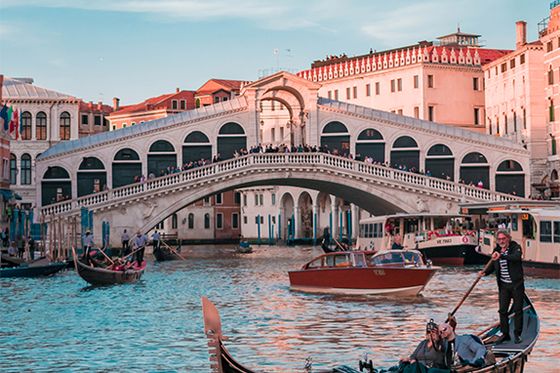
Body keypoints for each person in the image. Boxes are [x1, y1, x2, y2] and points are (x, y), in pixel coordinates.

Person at [479, 229, 525, 344]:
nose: (501, 241)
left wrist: (502, 256)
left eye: (503, 239)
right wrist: (485, 272)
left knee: (518, 310)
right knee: (502, 311)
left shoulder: (515, 247)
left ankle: (517, 334)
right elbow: (493, 265)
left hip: (516, 285)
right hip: (504, 285)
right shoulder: (496, 250)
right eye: (499, 239)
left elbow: (516, 257)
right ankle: (505, 334)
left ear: (508, 238)